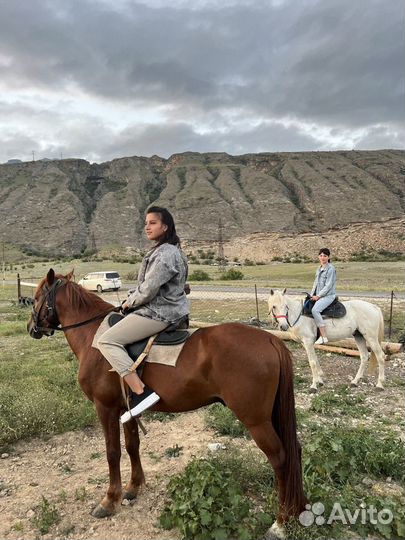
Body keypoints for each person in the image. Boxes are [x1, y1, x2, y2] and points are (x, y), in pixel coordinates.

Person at [97, 206, 189, 423]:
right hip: (169, 309)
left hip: (159, 313)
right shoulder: (173, 251)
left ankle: (141, 393)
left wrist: (129, 303)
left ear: (165, 227)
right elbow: (174, 285)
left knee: (107, 340)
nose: (147, 227)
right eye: (146, 223)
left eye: (153, 223)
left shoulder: (165, 254)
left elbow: (148, 290)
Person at [310, 247, 337, 345]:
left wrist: (318, 296)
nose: (323, 258)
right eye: (321, 256)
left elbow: (328, 286)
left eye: (325, 256)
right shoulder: (319, 268)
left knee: (315, 310)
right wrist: (311, 294)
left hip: (328, 296)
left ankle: (324, 336)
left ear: (328, 257)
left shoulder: (331, 269)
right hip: (318, 295)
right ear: (318, 257)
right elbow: (315, 283)